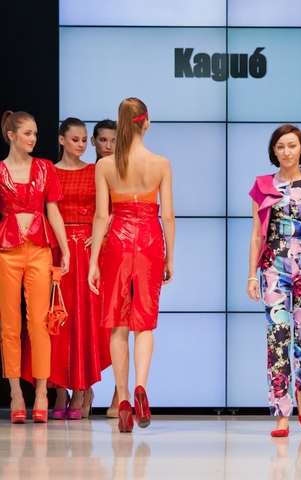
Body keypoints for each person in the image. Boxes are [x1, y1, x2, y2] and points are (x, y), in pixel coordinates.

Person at [89, 98, 175, 433]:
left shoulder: (105, 165)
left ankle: (123, 398)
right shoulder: (161, 163)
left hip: (118, 242)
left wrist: (94, 262)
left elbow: (101, 216)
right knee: (144, 323)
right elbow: (168, 216)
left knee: (118, 324)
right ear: (146, 123)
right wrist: (170, 256)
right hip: (150, 240)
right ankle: (141, 387)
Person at [247, 124, 301, 437]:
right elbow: (257, 235)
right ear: (274, 151)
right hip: (273, 269)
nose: (286, 151)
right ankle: (281, 414)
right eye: (280, 146)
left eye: (292, 146)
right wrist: (252, 275)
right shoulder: (262, 185)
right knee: (277, 339)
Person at [35, 117, 111, 419]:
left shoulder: (96, 170)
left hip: (88, 250)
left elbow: (111, 208)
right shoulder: (48, 171)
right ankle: (58, 390)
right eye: (74, 139)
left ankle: (81, 389)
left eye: (83, 140)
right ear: (61, 140)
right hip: (56, 248)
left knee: (84, 318)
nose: (80, 145)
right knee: (55, 319)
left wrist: (100, 234)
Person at [0, 111, 70, 423]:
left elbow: (53, 211)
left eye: (35, 134)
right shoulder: (0, 171)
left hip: (40, 249)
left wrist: (64, 248)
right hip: (8, 252)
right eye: (27, 133)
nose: (33, 139)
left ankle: (42, 393)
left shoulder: (44, 167)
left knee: (40, 323)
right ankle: (16, 393)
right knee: (9, 325)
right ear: (11, 135)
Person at [90, 118, 121, 418]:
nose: (109, 146)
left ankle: (119, 392)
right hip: (90, 251)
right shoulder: (91, 171)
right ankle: (82, 389)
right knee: (89, 322)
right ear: (94, 142)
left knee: (119, 321)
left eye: (113, 140)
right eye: (103, 140)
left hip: (118, 248)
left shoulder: (124, 170)